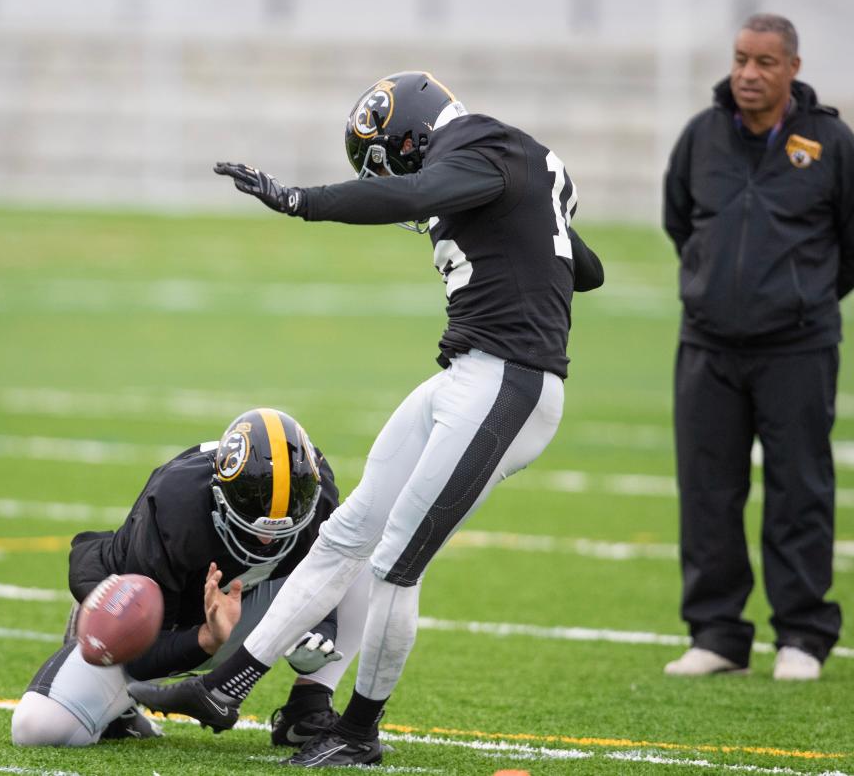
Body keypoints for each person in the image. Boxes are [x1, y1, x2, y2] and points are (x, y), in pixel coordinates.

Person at [129, 70, 604, 767]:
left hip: (510, 381)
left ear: (410, 132)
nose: (396, 173)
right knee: (350, 529)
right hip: (470, 375)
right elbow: (585, 269)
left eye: (387, 157)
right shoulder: (510, 162)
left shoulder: (484, 144)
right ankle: (225, 687)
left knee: (394, 565)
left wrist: (300, 200)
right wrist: (542, 219)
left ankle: (358, 733)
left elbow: (414, 193)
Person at [661, 14, 854, 681]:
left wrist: (803, 299)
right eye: (740, 60)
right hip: (707, 346)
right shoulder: (700, 136)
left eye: (764, 63)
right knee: (707, 491)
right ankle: (718, 635)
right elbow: (680, 221)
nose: (748, 74)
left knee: (800, 490)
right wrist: (713, 288)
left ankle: (803, 637)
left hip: (798, 349)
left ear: (792, 68)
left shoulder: (832, 142)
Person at [11, 408, 371, 747]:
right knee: (37, 726)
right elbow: (143, 657)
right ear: (221, 490)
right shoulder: (176, 503)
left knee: (364, 553)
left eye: (289, 511)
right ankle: (115, 702)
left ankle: (308, 707)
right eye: (251, 502)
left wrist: (320, 633)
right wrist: (207, 637)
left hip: (242, 608)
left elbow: (324, 579)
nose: (267, 536)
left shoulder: (318, 492)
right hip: (149, 623)